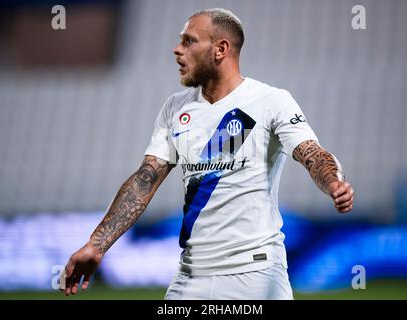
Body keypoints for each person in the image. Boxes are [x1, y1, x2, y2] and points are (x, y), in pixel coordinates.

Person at [61, 8, 354, 300]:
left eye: (189, 41)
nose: (177, 50)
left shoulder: (270, 101)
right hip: (190, 276)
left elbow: (311, 152)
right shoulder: (175, 108)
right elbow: (145, 180)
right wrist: (98, 244)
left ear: (220, 49)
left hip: (254, 273)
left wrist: (333, 182)